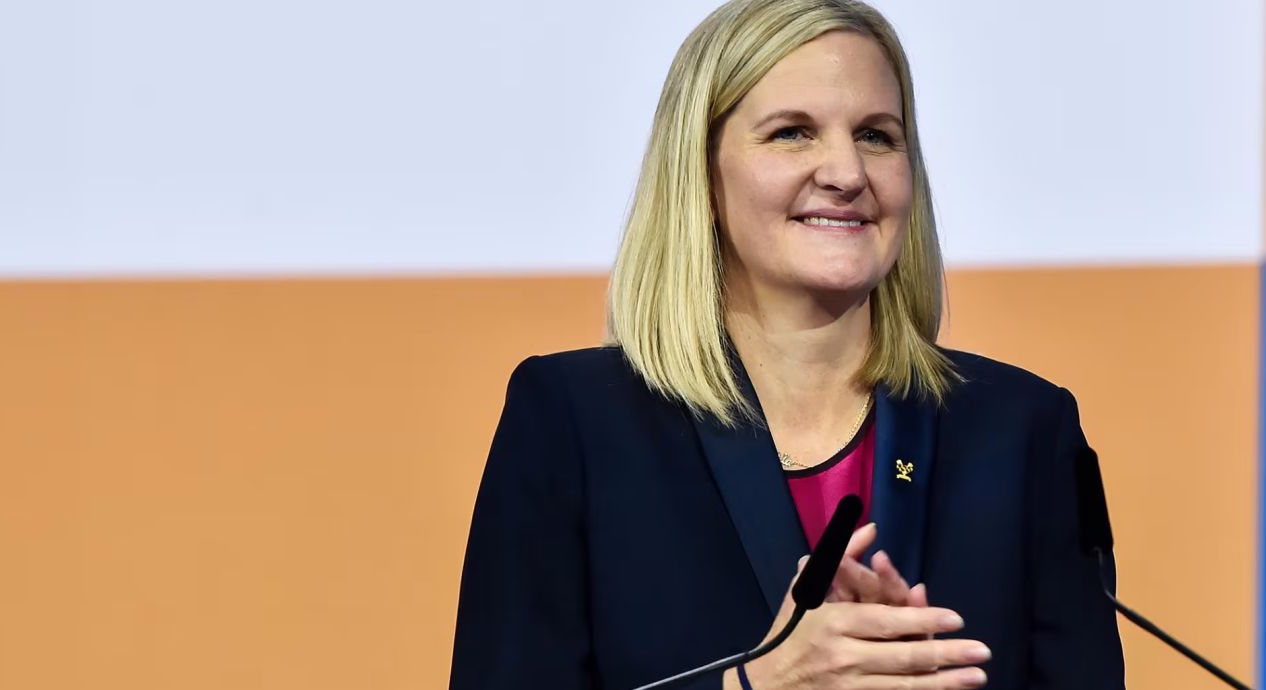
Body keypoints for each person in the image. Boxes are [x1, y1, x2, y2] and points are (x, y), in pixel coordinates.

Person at [449, 0, 1123, 687]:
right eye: (792, 133)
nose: (847, 172)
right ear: (700, 171)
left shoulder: (1022, 429)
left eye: (877, 135)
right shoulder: (573, 423)